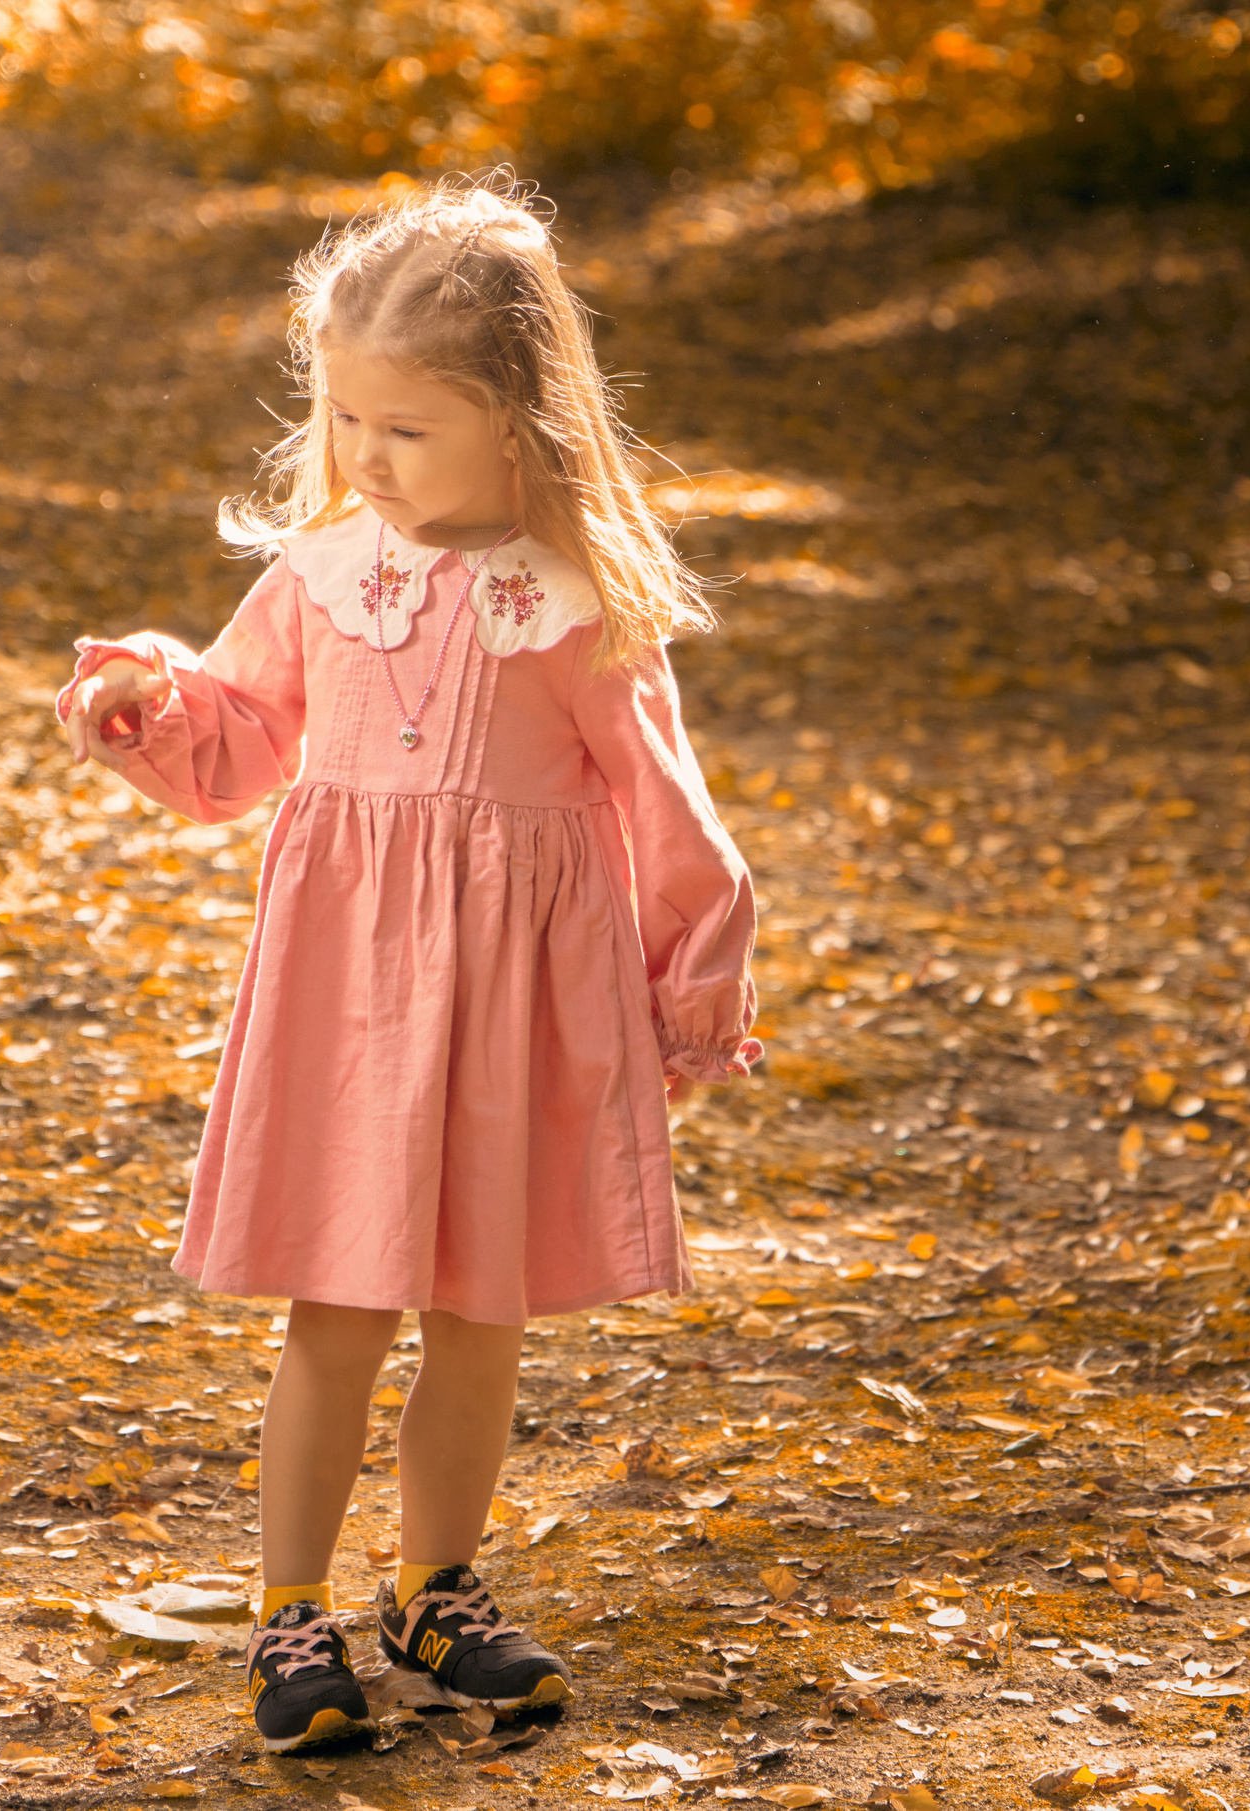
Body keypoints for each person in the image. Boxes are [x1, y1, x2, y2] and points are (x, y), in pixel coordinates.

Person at [54, 175, 763, 1751]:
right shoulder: (322, 575)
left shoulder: (574, 609)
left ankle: (437, 1590)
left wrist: (689, 991)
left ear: (518, 424)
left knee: (479, 1310)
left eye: (407, 429)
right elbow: (241, 737)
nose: (367, 457)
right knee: (341, 1305)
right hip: (354, 999)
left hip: (512, 1007)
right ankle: (290, 1611)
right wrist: (151, 703)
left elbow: (668, 814)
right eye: (348, 420)